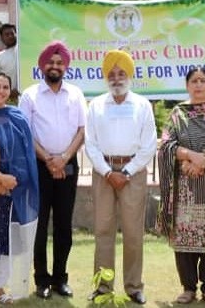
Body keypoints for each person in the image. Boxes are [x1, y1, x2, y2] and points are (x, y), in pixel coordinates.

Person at [157, 67, 205, 306]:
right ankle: (188, 287)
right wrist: (190, 156)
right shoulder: (178, 113)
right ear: (187, 85)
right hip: (185, 189)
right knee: (185, 238)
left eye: (203, 81)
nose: (199, 85)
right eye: (194, 81)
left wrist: (204, 161)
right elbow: (166, 145)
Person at [84, 49, 157, 305]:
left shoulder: (142, 105)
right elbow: (90, 144)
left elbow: (149, 146)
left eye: (121, 73)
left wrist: (125, 172)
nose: (116, 78)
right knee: (103, 231)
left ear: (129, 75)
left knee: (133, 232)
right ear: (106, 77)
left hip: (132, 174)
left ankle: (134, 287)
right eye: (112, 74)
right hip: (103, 173)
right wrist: (107, 171)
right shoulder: (96, 105)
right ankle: (102, 287)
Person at [18, 40, 86, 299]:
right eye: (51, 62)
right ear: (42, 66)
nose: (55, 66)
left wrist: (65, 158)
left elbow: (82, 130)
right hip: (39, 166)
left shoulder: (76, 94)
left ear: (65, 67)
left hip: (68, 165)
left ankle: (60, 278)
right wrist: (48, 159)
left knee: (63, 225)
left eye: (60, 62)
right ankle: (41, 280)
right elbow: (26, 133)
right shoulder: (30, 95)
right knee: (40, 224)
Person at [0, 70, 39, 303]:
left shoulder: (18, 117)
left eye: (5, 87)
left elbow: (27, 155)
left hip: (14, 190)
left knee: (8, 239)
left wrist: (14, 182)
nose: (0, 91)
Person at [0, 23, 19, 97]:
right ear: (1, 38)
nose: (10, 36)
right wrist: (9, 91)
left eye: (12, 33)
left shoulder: (22, 50)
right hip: (9, 97)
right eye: (7, 34)